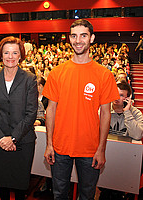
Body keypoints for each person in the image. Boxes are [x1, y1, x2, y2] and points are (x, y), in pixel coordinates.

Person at [43, 19, 120, 200]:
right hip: (60, 148)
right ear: (69, 39)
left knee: (87, 195)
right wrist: (49, 145)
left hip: (90, 149)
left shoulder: (104, 74)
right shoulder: (57, 73)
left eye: (83, 35)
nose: (78, 40)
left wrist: (101, 149)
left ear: (91, 38)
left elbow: (106, 114)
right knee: (59, 194)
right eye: (74, 36)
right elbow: (50, 111)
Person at [0, 36, 38, 200]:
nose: (10, 57)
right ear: (1, 55)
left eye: (15, 53)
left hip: (22, 141)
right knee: (2, 185)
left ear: (21, 55)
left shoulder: (29, 79)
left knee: (20, 188)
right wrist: (2, 138)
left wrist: (13, 138)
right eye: (6, 52)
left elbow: (31, 113)